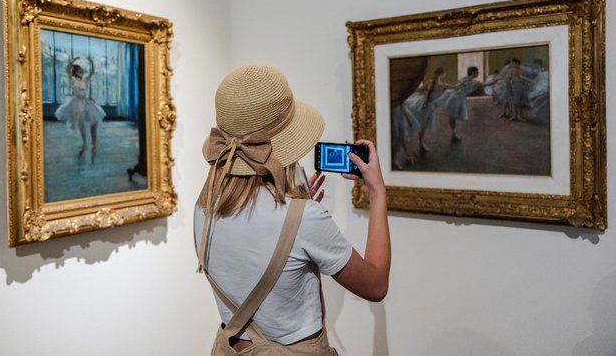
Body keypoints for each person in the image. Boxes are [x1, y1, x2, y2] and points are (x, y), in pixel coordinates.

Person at [194, 65, 390, 355]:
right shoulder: (304, 219)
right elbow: (375, 285)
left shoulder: (204, 208)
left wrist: (294, 210)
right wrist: (377, 193)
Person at [54, 56, 105, 163]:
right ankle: (85, 143)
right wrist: (73, 61)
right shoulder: (72, 79)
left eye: (82, 71)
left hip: (86, 101)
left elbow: (92, 73)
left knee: (94, 122)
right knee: (81, 124)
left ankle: (94, 144)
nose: (81, 72)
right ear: (75, 72)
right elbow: (68, 69)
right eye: (79, 71)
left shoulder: (84, 79)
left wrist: (92, 63)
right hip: (77, 103)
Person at [433, 66, 490, 141]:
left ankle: (453, 134)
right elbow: (457, 86)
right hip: (456, 97)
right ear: (473, 73)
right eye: (477, 72)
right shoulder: (467, 80)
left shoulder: (473, 81)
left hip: (457, 96)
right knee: (451, 115)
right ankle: (453, 134)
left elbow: (485, 84)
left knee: (452, 115)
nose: (478, 73)